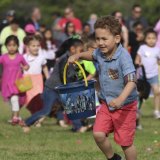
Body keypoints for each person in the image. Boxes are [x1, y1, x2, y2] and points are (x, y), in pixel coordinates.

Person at [68, 16, 138, 160]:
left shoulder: (123, 57)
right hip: (106, 103)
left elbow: (132, 81)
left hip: (125, 106)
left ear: (117, 38)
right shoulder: (100, 52)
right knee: (98, 134)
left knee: (126, 143)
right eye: (98, 38)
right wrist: (78, 55)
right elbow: (91, 54)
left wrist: (120, 99)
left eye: (104, 39)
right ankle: (113, 158)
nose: (100, 43)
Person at [21, 38, 85, 133]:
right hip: (52, 88)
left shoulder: (73, 59)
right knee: (46, 110)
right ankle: (26, 122)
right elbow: (64, 75)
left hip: (61, 88)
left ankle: (78, 127)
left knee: (71, 107)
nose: (82, 53)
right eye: (81, 50)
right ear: (72, 49)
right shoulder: (65, 59)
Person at [0, 35, 29, 124]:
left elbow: (26, 65)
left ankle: (15, 118)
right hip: (6, 83)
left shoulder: (20, 57)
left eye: (14, 45)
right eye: (9, 45)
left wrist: (25, 67)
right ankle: (15, 116)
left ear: (17, 46)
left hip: (17, 82)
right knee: (11, 101)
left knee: (14, 99)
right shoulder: (3, 57)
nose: (12, 47)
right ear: (6, 46)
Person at [135, 28, 160, 119]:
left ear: (156, 39)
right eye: (149, 38)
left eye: (153, 38)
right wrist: (138, 63)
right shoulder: (142, 48)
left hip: (153, 75)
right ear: (145, 39)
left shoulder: (157, 50)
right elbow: (137, 59)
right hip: (143, 76)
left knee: (157, 92)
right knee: (142, 94)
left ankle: (156, 111)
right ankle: (138, 109)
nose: (151, 40)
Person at [23, 35, 49, 104]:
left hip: (38, 79)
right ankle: (33, 112)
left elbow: (44, 67)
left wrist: (48, 77)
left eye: (38, 46)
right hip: (27, 79)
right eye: (33, 46)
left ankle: (38, 111)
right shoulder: (24, 57)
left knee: (38, 95)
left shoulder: (41, 57)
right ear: (28, 47)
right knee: (29, 98)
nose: (36, 48)